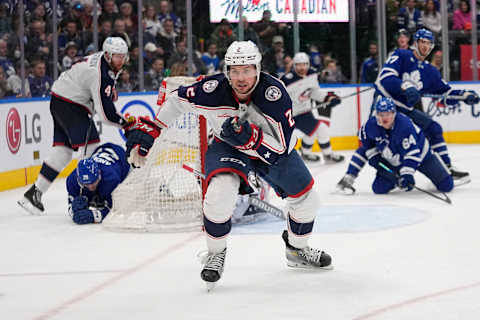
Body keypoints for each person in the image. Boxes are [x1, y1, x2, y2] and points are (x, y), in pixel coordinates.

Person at [123, 41, 333, 289]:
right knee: (220, 193)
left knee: (309, 201)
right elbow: (176, 100)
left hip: (273, 151)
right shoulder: (212, 90)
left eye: (246, 70)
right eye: (235, 71)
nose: (241, 77)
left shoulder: (274, 94)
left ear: (257, 69)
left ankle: (297, 250)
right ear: (227, 72)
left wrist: (252, 137)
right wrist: (154, 130)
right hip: (228, 147)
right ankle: (215, 254)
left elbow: (279, 146)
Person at [337, 29, 477, 193]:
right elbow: (385, 78)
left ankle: (447, 169)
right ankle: (349, 177)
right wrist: (405, 86)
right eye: (422, 42)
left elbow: (444, 93)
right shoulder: (401, 55)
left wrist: (464, 95)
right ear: (415, 42)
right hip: (386, 107)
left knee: (433, 128)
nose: (425, 46)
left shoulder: (430, 71)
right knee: (372, 138)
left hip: (405, 111)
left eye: (428, 43)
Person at [18, 37, 130, 216]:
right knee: (91, 147)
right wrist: (125, 124)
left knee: (63, 152)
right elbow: (105, 114)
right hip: (71, 105)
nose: (121, 60)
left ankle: (34, 193)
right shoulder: (100, 73)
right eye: (117, 56)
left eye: (123, 56)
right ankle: (87, 194)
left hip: (60, 100)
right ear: (108, 55)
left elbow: (97, 90)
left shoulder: (103, 62)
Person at [356, 97, 453, 195]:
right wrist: (375, 158)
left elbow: (412, 154)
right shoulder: (369, 126)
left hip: (422, 156)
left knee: (446, 185)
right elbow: (367, 143)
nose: (384, 118)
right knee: (379, 188)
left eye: (388, 114)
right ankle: (397, 179)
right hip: (395, 161)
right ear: (376, 114)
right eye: (381, 114)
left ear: (394, 113)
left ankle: (440, 166)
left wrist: (407, 174)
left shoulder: (404, 126)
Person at [280, 52, 344, 163]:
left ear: (308, 64)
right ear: (294, 65)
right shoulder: (287, 80)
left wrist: (329, 99)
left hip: (305, 111)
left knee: (314, 131)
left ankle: (306, 153)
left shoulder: (312, 74)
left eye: (304, 64)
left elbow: (314, 92)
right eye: (299, 65)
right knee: (321, 128)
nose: (302, 67)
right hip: (292, 114)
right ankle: (327, 155)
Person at [67, 143, 130, 224]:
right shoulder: (72, 180)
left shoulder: (111, 179)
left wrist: (95, 216)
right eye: (86, 185)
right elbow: (71, 207)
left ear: (99, 174)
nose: (90, 187)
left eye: (93, 182)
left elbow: (117, 208)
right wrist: (73, 209)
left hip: (121, 158)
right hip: (100, 151)